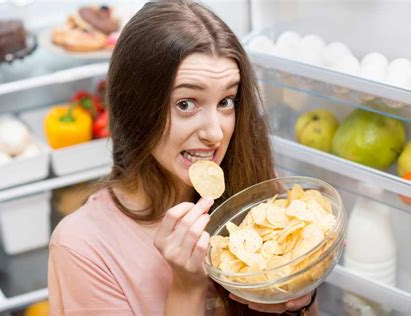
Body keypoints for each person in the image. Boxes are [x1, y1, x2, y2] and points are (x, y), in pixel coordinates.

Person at [48, 1, 319, 315]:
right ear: (134, 106)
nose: (215, 133)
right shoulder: (83, 247)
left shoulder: (255, 195)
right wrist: (187, 287)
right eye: (186, 104)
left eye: (226, 101)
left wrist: (298, 296)